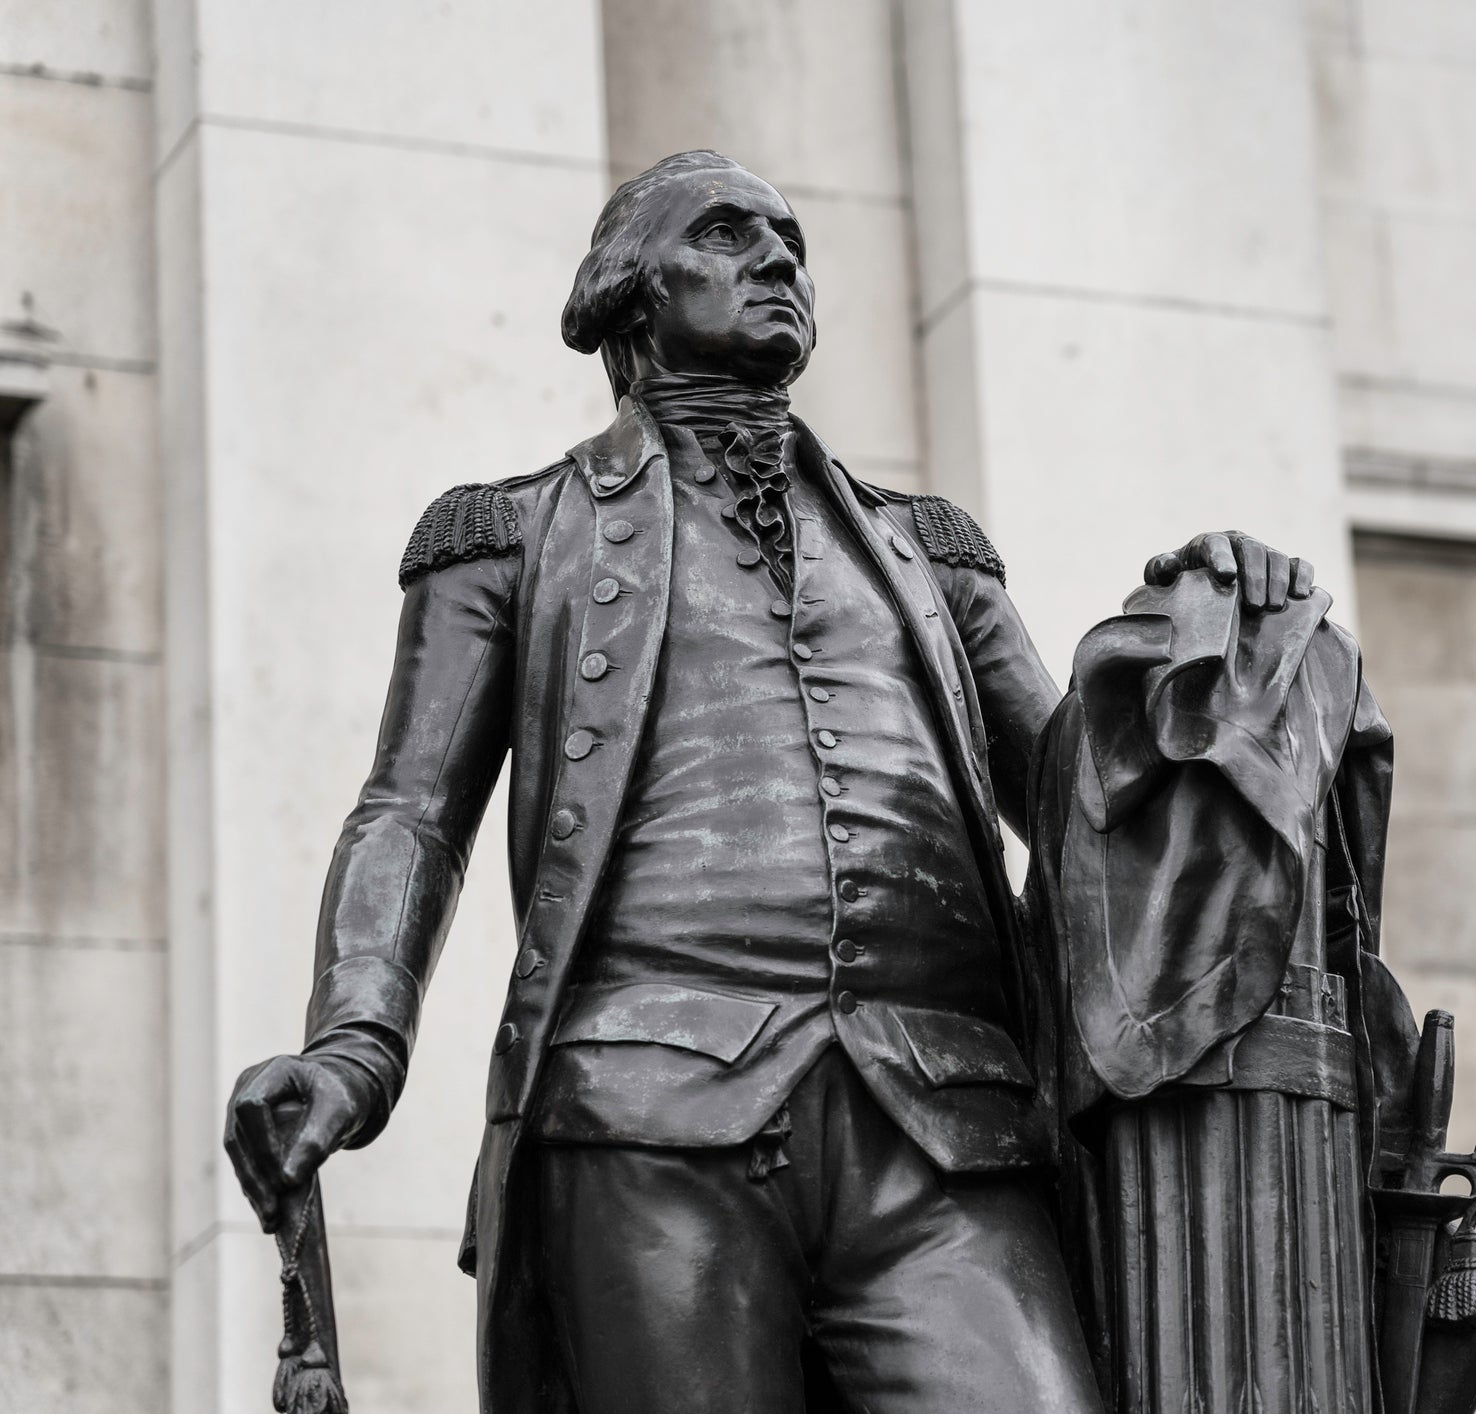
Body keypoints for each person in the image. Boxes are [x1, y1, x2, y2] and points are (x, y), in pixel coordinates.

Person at [223, 149, 1315, 1414]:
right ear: (629, 289)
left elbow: (1087, 808)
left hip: (948, 1125)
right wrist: (356, 1048)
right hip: (647, 1116)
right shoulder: (507, 536)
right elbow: (409, 814)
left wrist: (1204, 649)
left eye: (791, 238)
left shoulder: (934, 555)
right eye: (729, 234)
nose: (781, 258)